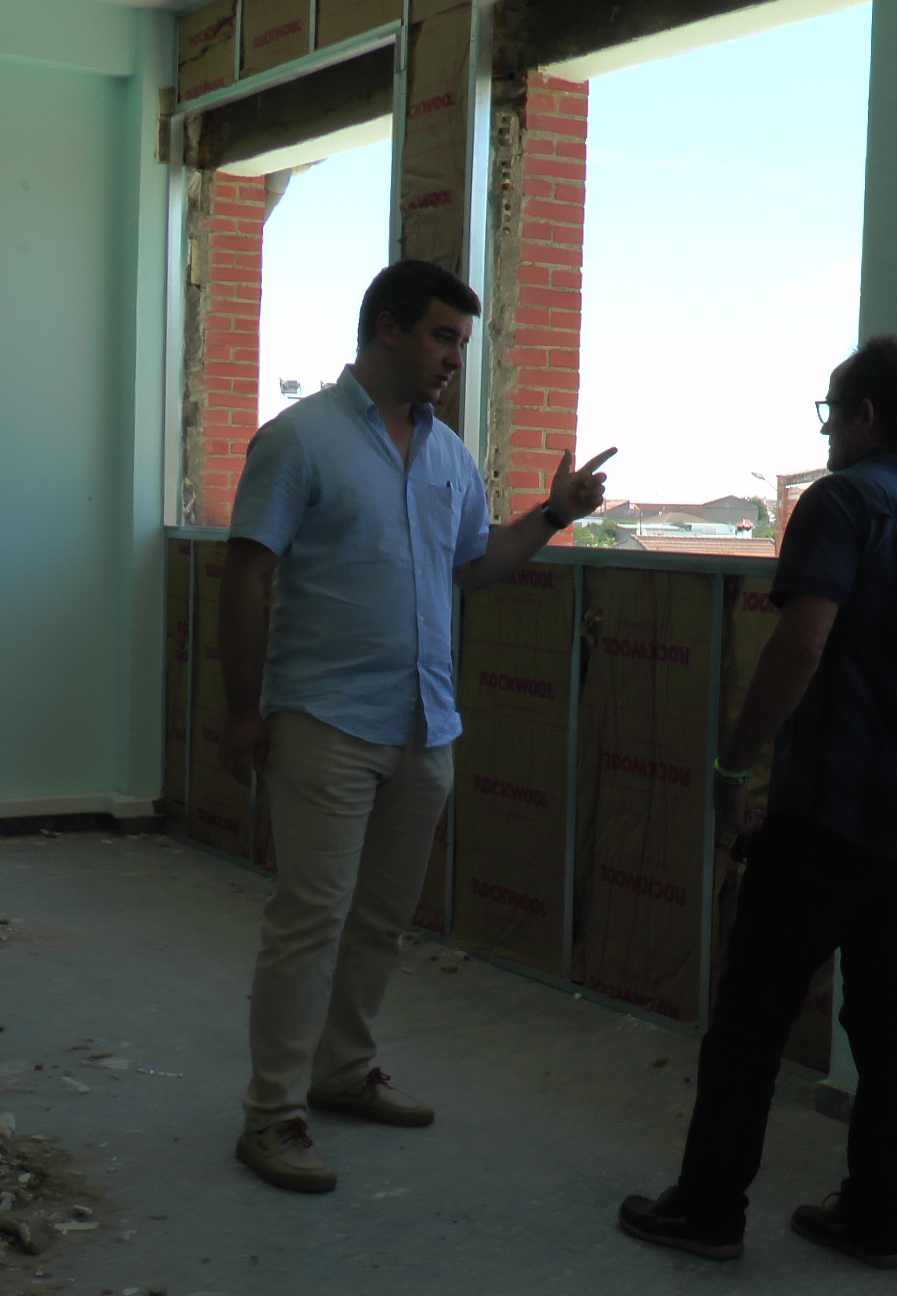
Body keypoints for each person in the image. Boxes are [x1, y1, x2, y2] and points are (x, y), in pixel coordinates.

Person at [218, 259, 614, 1193]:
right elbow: (246, 576)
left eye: (463, 344)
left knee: (381, 922)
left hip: (425, 727)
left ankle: (344, 1072)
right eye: (442, 336)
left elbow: (471, 567)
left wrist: (553, 515)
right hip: (325, 720)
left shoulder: (449, 457)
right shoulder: (299, 440)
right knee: (309, 921)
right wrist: (240, 712)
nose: (453, 359)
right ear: (388, 328)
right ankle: (272, 1116)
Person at [617, 335, 897, 1268]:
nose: (828, 434)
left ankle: (709, 1209)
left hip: (825, 813)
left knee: (753, 1013)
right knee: (888, 1021)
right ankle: (876, 1217)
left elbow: (801, 642)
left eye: (833, 415)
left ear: (866, 417)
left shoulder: (842, 502)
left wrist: (734, 767)